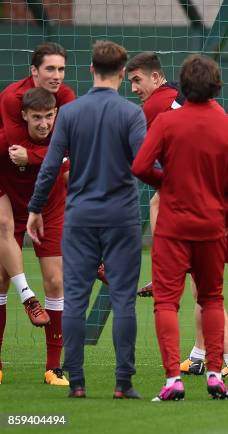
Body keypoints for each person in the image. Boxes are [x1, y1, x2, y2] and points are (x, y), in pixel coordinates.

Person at [126, 52, 228, 378]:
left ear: (159, 78)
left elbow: (139, 164)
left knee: (185, 296)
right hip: (218, 209)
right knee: (207, 293)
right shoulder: (225, 122)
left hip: (190, 215)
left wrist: (168, 183)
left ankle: (227, 361)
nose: (134, 88)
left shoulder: (158, 112)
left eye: (137, 79)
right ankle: (200, 357)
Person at [27, 41, 146, 399]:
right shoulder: (131, 114)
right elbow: (144, 165)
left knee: (75, 299)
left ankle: (76, 382)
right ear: (123, 75)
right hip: (122, 217)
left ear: (91, 70)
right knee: (124, 299)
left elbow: (50, 168)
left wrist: (34, 209)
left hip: (78, 218)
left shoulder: (70, 113)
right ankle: (123, 383)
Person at [0, 42, 76, 327]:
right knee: (0, 274)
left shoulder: (66, 96)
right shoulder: (11, 98)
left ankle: (54, 368)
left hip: (47, 190)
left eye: (61, 69)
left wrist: (37, 157)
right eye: (50, 69)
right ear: (33, 70)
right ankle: (27, 297)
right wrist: (51, 157)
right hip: (8, 182)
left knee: (56, 280)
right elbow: (16, 146)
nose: (57, 75)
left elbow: (65, 149)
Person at [0, 88, 71, 386]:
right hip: (10, 206)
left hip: (49, 209)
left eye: (49, 116)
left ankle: (53, 368)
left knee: (56, 282)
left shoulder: (62, 140)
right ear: (25, 115)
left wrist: (30, 157)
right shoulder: (4, 140)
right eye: (38, 117)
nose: (44, 123)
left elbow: (69, 171)